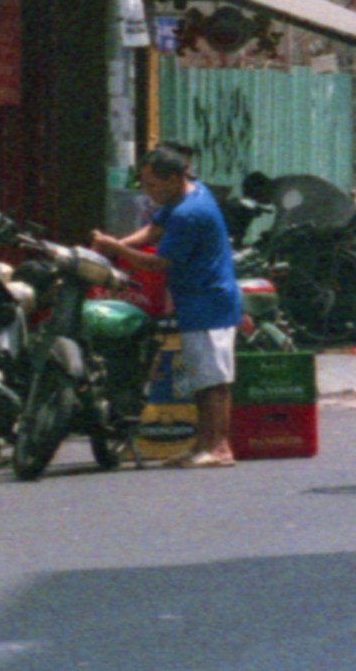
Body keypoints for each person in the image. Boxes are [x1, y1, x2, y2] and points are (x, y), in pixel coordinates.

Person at [93, 141, 241, 469]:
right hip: (194, 302)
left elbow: (159, 263)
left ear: (174, 179)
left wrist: (116, 249)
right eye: (144, 185)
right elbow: (154, 230)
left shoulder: (190, 213)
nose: (148, 192)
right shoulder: (185, 196)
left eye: (152, 185)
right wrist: (114, 245)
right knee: (201, 380)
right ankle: (203, 444)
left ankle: (219, 447)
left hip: (210, 303)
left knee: (214, 381)